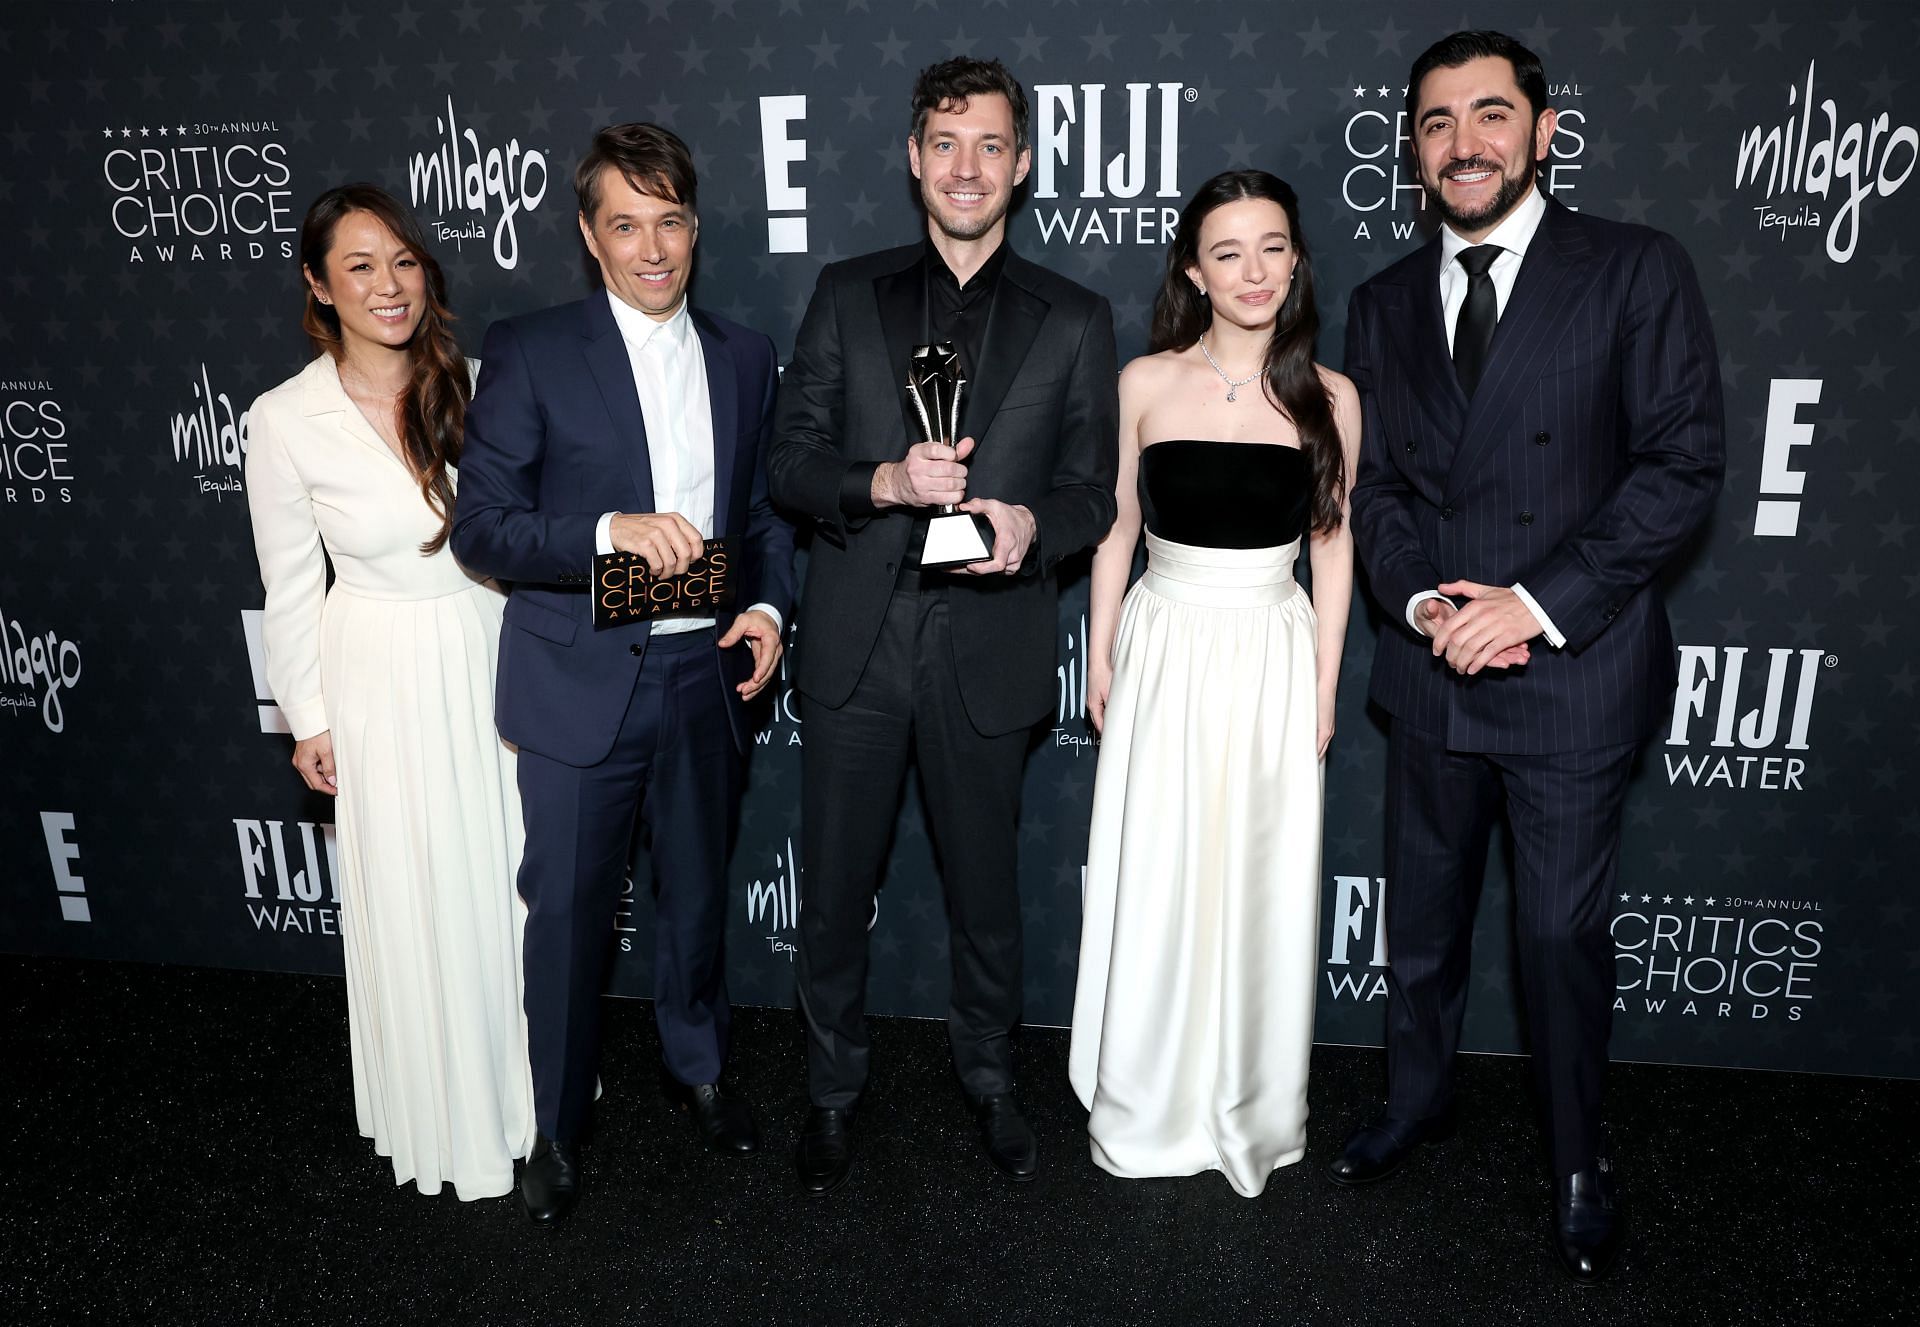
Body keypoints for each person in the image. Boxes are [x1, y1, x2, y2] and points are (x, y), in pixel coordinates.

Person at [1329, 31, 1724, 1282]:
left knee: (1556, 935)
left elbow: (1682, 467)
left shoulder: (1633, 268)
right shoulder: (1385, 299)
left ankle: (1575, 1153)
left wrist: (1537, 605)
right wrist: (1418, 603)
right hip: (1435, 665)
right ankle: (1418, 1096)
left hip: (1571, 669)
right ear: (1413, 147)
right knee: (1428, 924)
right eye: (1438, 122)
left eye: (1491, 115)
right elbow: (1377, 483)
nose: (1465, 143)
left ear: (1544, 131)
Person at [769, 56, 1118, 1194]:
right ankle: (829, 1090)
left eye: (991, 146)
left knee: (987, 895)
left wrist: (1029, 522)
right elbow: (789, 463)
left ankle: (991, 1079)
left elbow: (1094, 493)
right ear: (914, 156)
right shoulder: (844, 292)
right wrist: (883, 480)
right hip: (858, 642)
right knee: (830, 892)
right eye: (945, 144)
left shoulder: (1073, 316)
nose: (967, 167)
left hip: (989, 641)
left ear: (1021, 165)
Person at [449, 123, 794, 1226]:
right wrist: (606, 529)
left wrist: (770, 607)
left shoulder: (744, 353)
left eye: (673, 222)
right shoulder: (533, 347)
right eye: (628, 224)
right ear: (591, 238)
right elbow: (484, 530)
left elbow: (758, 519)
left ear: (696, 228)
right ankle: (555, 1123)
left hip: (705, 680)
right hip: (577, 685)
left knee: (695, 901)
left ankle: (697, 1071)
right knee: (568, 916)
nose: (655, 248)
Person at [1069, 170, 1359, 1197]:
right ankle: (1146, 1101)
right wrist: (1102, 657)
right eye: (1228, 251)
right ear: (1194, 268)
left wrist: (1322, 689)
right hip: (1166, 641)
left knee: (1256, 878)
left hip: (1271, 648)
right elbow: (1114, 532)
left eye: (1273, 246)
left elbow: (1332, 551)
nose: (1253, 271)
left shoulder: (1332, 398)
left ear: (1296, 259)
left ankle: (1248, 1100)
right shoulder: (1143, 382)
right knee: (1158, 871)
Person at [245, 184, 534, 1201]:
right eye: (359, 266)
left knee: (504, 882)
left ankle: (519, 1103)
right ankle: (438, 1114)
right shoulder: (282, 420)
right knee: (415, 892)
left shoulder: (488, 385)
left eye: (403, 261)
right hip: (378, 674)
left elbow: (532, 538)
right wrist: (307, 714)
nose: (387, 285)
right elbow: (289, 584)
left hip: (491, 648)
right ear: (318, 285)